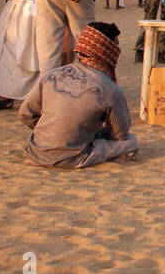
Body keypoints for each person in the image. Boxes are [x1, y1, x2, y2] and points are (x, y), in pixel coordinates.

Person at [19, 21, 137, 168]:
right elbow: (120, 134)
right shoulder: (109, 88)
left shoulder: (52, 76)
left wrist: (52, 130)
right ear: (106, 51)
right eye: (116, 46)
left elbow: (25, 114)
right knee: (130, 142)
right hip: (72, 157)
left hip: (35, 151)